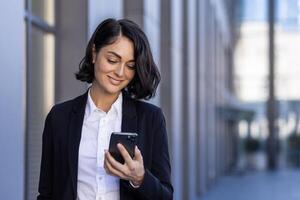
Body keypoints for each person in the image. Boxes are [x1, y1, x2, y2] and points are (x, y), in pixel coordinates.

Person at [37, 18, 173, 200]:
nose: (120, 72)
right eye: (112, 60)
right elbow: (46, 193)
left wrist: (139, 178)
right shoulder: (59, 117)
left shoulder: (151, 119)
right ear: (94, 53)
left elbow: (166, 196)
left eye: (130, 66)